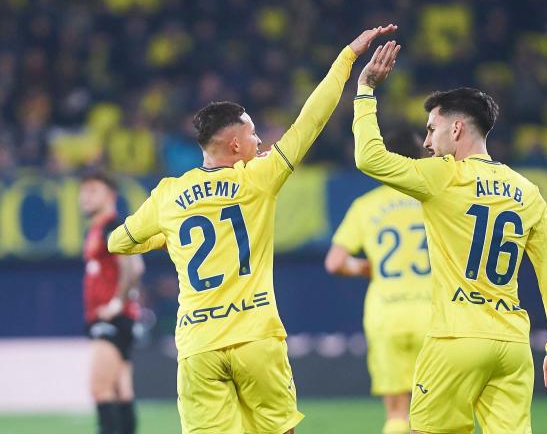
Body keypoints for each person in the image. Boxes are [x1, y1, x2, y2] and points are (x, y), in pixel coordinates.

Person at [107, 25, 397, 434]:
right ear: (236, 147)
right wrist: (347, 57)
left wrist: (167, 237)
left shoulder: (168, 195)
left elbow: (118, 242)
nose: (261, 141)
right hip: (255, 339)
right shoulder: (259, 178)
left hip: (197, 347)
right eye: (253, 133)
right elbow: (310, 121)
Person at [352, 41, 547, 434]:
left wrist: (366, 90)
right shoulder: (527, 191)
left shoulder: (442, 176)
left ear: (456, 128)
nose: (427, 142)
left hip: (454, 339)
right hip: (512, 345)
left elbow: (369, 157)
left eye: (432, 130)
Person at [325, 127, 432, 434]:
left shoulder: (366, 205)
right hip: (432, 314)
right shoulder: (434, 199)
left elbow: (334, 262)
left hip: (385, 314)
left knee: (396, 411)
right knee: (433, 412)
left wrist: (365, 268)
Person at [79, 171, 144, 434]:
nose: (85, 197)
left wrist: (117, 302)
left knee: (100, 388)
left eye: (93, 191)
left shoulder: (110, 226)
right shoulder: (98, 228)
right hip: (116, 318)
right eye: (83, 192)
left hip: (113, 318)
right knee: (121, 389)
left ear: (110, 196)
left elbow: (134, 267)